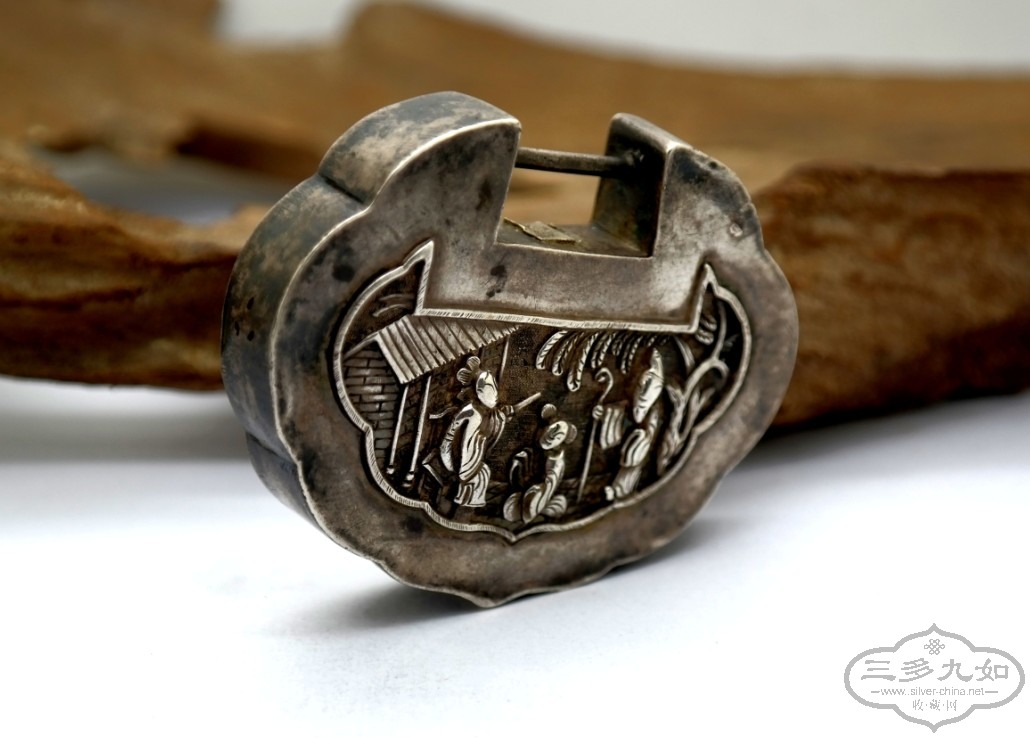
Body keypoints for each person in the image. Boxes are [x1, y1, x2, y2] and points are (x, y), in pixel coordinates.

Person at [592, 351, 665, 500]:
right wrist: (603, 413)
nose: (645, 393)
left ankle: (619, 490)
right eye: (642, 387)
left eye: (651, 390)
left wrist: (644, 435)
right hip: (626, 445)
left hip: (638, 446)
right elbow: (620, 409)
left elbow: (652, 428)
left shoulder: (654, 411)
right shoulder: (632, 403)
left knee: (633, 460)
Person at [440, 357, 510, 508]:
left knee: (484, 471)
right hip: (465, 456)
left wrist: (503, 415)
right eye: (488, 387)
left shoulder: (487, 412)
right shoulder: (469, 410)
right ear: (478, 390)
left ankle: (470, 502)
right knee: (476, 474)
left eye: (494, 386)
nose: (494, 393)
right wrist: (448, 454)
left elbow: (496, 418)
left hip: (477, 452)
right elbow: (453, 430)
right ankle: (463, 500)